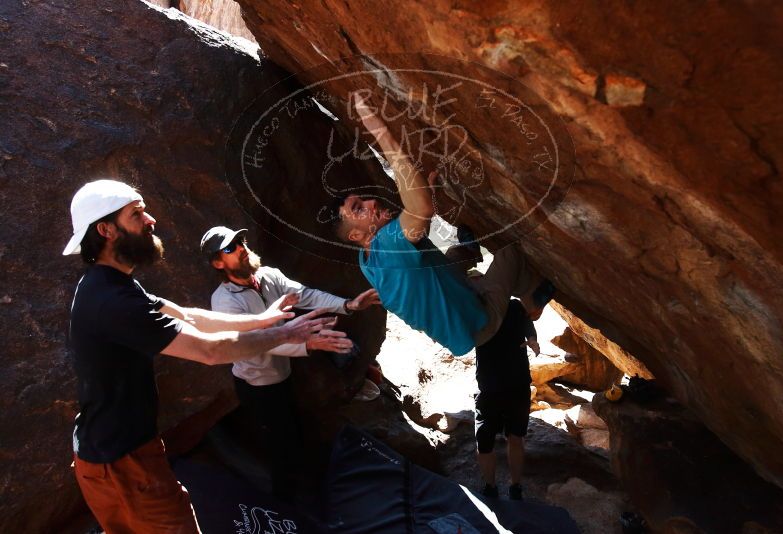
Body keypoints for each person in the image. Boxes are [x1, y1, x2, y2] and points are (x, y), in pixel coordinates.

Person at [64, 180, 345, 534]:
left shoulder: (108, 284)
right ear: (106, 230)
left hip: (110, 453)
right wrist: (289, 333)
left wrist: (262, 319)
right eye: (136, 214)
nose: (150, 219)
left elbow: (189, 315)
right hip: (123, 464)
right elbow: (208, 350)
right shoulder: (113, 302)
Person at [330, 94, 543, 356]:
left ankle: (469, 251)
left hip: (456, 325)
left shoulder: (367, 261)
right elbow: (419, 211)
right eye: (359, 209)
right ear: (356, 234)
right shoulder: (387, 245)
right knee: (511, 252)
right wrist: (380, 131)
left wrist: (426, 201)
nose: (372, 203)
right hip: (478, 323)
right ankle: (533, 298)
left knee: (449, 256)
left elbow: (416, 241)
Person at [200, 225, 380, 499]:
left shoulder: (268, 276)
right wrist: (307, 344)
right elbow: (256, 344)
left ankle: (309, 489)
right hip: (258, 387)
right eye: (230, 248)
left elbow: (305, 295)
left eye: (240, 241)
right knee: (280, 446)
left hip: (284, 375)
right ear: (217, 263)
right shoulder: (225, 302)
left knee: (297, 432)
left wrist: (348, 305)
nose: (240, 248)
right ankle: (288, 504)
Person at [473, 296, 544, 501]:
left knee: (515, 436)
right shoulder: (475, 309)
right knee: (485, 440)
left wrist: (532, 340)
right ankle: (491, 487)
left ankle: (515, 486)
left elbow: (528, 326)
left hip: (515, 383)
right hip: (491, 386)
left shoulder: (514, 306)